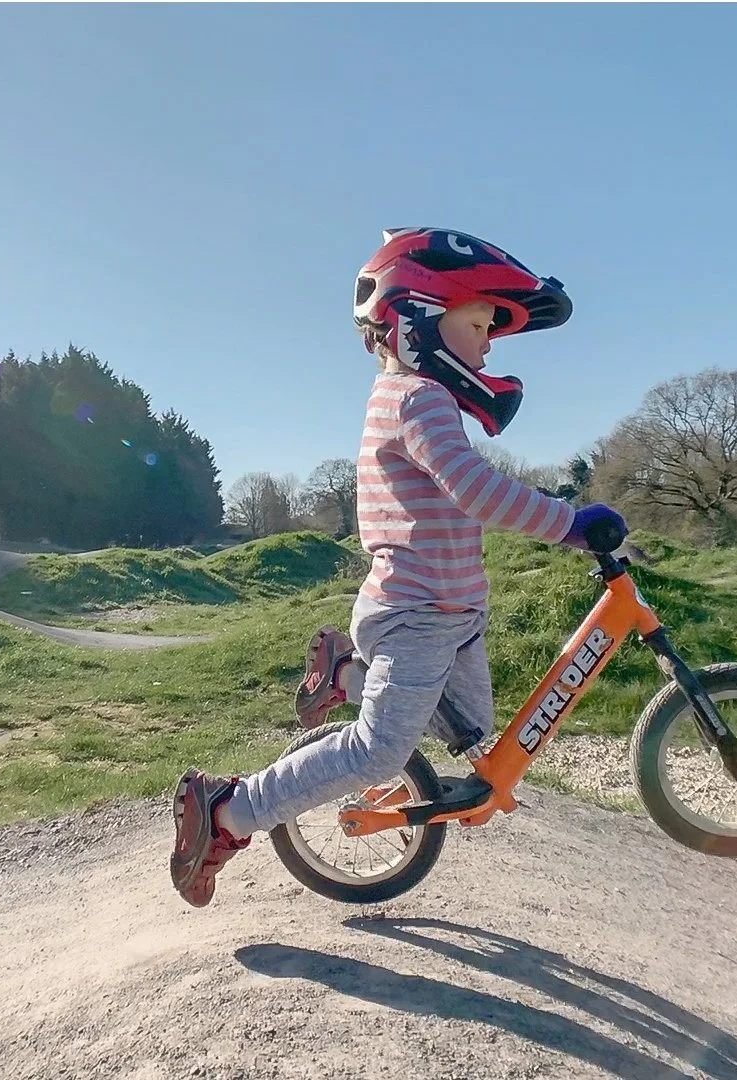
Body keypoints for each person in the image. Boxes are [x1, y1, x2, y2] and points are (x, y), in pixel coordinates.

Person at [168, 227, 626, 907]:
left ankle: (344, 672)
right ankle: (228, 809)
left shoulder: (421, 397)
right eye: (477, 322)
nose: (488, 341)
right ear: (417, 317)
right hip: (416, 612)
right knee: (381, 752)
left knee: (471, 729)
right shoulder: (416, 398)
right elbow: (472, 487)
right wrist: (568, 524)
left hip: (454, 609)